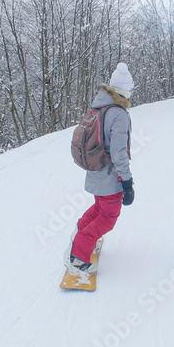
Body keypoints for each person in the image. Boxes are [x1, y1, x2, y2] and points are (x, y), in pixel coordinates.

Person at [66, 63, 136, 274]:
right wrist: (127, 181)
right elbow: (118, 152)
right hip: (108, 176)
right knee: (108, 217)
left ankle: (80, 234)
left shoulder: (99, 106)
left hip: (95, 171)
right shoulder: (119, 114)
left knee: (99, 209)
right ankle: (79, 257)